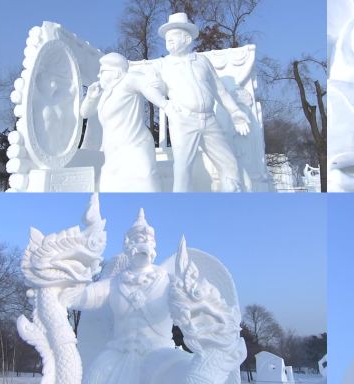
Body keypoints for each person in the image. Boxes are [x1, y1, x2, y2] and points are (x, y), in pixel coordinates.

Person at [63, 209, 176, 384]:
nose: (144, 244)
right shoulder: (115, 283)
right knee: (93, 377)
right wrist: (62, 287)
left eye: (149, 240)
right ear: (127, 245)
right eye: (139, 239)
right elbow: (83, 297)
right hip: (117, 355)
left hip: (159, 353)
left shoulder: (168, 281)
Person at [152, 12, 251, 192]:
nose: (169, 42)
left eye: (173, 37)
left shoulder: (202, 61)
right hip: (184, 121)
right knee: (182, 168)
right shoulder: (162, 65)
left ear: (187, 38)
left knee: (229, 164)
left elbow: (219, 90)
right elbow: (150, 89)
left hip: (209, 120)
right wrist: (165, 105)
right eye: (167, 39)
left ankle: (233, 202)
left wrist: (235, 112)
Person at [81, 53, 170, 192]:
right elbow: (85, 113)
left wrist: (165, 105)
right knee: (112, 186)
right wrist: (91, 97)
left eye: (102, 72)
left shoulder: (128, 79)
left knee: (146, 183)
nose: (99, 76)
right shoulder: (105, 93)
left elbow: (148, 88)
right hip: (113, 152)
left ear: (116, 73)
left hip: (136, 146)